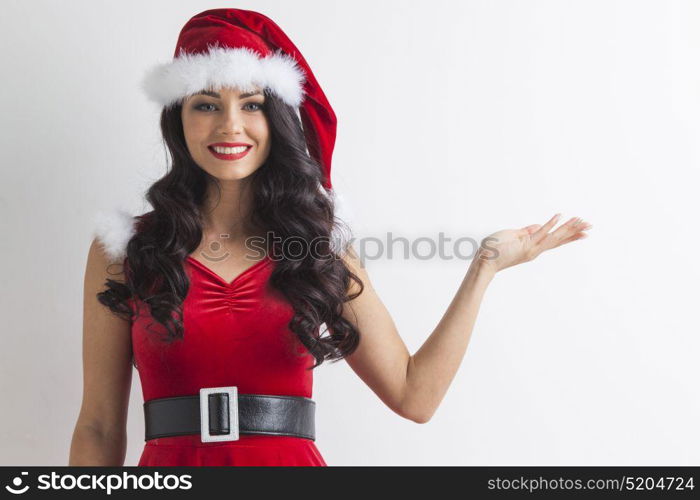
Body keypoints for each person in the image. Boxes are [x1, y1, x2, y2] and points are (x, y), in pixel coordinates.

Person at [69, 8, 592, 467]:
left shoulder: (319, 249)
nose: (230, 126)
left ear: (276, 119)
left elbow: (415, 396)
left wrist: (484, 267)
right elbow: (98, 426)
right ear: (177, 118)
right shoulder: (125, 250)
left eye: (251, 105)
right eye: (205, 105)